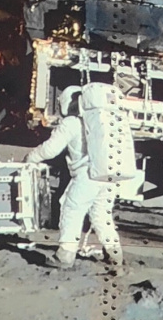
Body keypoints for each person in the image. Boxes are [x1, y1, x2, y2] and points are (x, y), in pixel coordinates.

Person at [27, 85, 124, 268]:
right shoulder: (101, 121)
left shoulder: (72, 123)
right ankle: (115, 253)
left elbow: (50, 150)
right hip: (108, 174)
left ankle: (65, 255)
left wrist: (31, 157)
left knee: (71, 209)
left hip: (87, 176)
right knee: (101, 214)